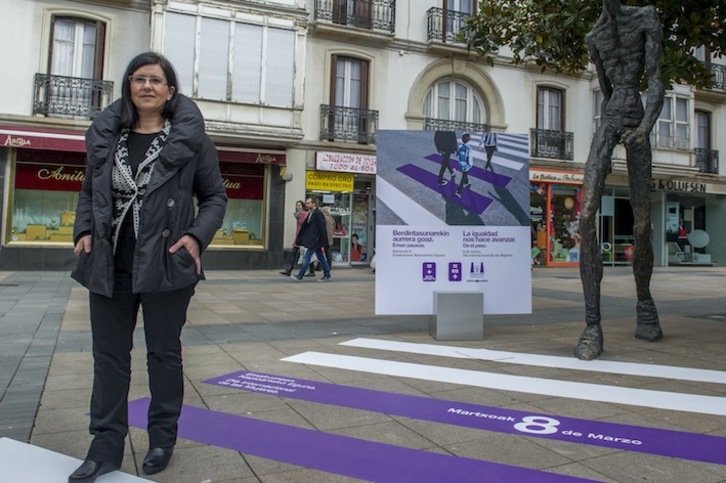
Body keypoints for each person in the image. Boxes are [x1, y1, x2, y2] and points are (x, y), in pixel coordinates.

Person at [69, 52, 227, 483]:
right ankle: (104, 448)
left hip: (166, 264)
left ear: (170, 91)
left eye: (156, 80)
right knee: (109, 358)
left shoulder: (191, 141)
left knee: (163, 354)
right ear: (129, 87)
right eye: (138, 79)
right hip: (108, 263)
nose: (147, 86)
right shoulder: (108, 138)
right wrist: (83, 232)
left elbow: (215, 197)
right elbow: (88, 191)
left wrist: (194, 239)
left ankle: (162, 439)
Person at [575, 0, 664, 360]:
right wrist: (610, 134)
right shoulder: (595, 36)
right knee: (584, 216)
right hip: (611, 120)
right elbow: (607, 91)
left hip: (637, 121)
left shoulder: (645, 17)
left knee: (641, 223)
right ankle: (592, 325)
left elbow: (656, 79)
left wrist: (644, 129)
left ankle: (644, 302)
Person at [291, 197, 331, 281]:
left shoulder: (318, 214)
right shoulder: (311, 213)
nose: (307, 205)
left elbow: (321, 228)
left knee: (307, 257)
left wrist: (322, 240)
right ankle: (327, 274)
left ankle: (300, 275)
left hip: (315, 240)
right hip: (312, 240)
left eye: (308, 203)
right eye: (306, 203)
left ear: (313, 204)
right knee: (321, 258)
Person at [279, 200, 308, 276]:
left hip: (303, 237)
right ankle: (288, 269)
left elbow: (304, 225)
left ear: (302, 206)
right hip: (298, 237)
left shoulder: (304, 214)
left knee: (307, 254)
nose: (297, 207)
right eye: (296, 205)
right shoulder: (297, 215)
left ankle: (311, 270)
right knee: (293, 253)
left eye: (299, 205)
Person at [454, 133, 472, 198]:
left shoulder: (460, 147)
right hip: (466, 165)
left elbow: (457, 154)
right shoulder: (469, 148)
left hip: (460, 163)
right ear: (468, 140)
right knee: (463, 177)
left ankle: (466, 182)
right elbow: (469, 157)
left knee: (465, 174)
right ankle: (458, 191)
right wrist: (470, 165)